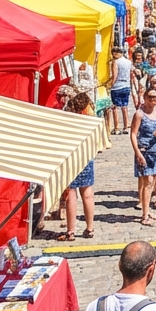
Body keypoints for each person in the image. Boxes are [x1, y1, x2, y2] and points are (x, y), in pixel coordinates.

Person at [62, 92, 98, 240]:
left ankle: (70, 231)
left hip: (70, 157)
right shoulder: (89, 120)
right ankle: (90, 228)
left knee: (71, 195)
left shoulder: (67, 119)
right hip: (85, 156)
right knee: (87, 194)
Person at [131, 88, 156, 227]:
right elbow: (133, 134)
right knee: (148, 182)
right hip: (144, 151)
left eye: (155, 98)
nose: (153, 100)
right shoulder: (139, 114)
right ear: (145, 98)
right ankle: (145, 215)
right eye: (150, 97)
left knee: (152, 182)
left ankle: (147, 209)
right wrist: (138, 153)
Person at [109, 46, 134, 135]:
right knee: (124, 106)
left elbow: (115, 75)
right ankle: (126, 126)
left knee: (115, 107)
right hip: (126, 85)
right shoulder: (128, 62)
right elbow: (131, 74)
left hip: (117, 86)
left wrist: (110, 85)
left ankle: (116, 127)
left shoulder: (116, 62)